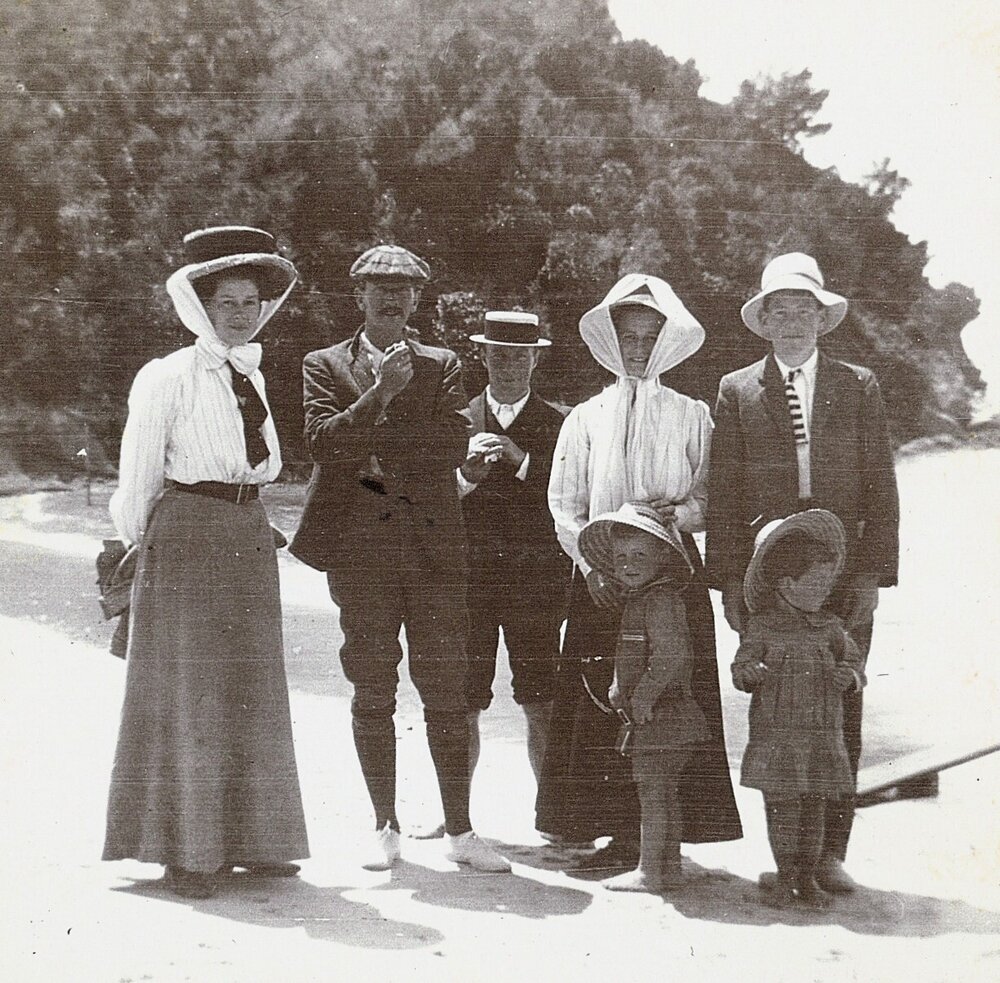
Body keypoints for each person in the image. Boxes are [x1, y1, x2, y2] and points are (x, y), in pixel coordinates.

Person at [103, 226, 309, 900]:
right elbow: (138, 477)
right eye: (226, 301)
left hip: (248, 533)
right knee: (193, 688)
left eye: (251, 301)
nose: (241, 312)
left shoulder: (252, 373)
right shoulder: (167, 376)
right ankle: (188, 850)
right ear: (199, 305)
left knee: (252, 683)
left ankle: (257, 838)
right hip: (188, 535)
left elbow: (262, 464)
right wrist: (138, 547)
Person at [290, 244, 510, 873]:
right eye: (377, 286)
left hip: (433, 551)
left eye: (404, 288)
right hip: (361, 557)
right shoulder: (322, 364)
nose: (391, 297)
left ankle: (461, 833)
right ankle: (383, 827)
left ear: (417, 299)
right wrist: (381, 396)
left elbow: (451, 444)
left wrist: (373, 451)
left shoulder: (442, 363)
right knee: (372, 686)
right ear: (357, 295)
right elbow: (323, 446)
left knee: (445, 688)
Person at [707, 252, 899, 894]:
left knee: (842, 698)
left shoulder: (859, 384)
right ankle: (787, 858)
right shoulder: (738, 389)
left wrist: (874, 575)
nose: (792, 323)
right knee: (776, 708)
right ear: (763, 322)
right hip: (770, 569)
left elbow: (881, 485)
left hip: (843, 568)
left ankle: (830, 853)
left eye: (804, 311)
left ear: (823, 318)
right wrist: (730, 583)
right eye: (779, 312)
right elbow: (726, 493)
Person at [540, 273, 743, 868]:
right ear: (610, 340)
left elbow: (711, 494)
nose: (637, 348)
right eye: (627, 337)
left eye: (649, 336)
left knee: (670, 692)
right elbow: (563, 503)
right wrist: (594, 564)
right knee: (601, 694)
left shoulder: (691, 413)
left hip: (672, 576)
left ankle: (663, 836)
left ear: (669, 340)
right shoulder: (584, 416)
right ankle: (612, 831)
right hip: (601, 576)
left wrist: (680, 511)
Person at [732, 510, 866, 909]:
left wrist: (849, 675)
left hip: (822, 736)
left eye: (828, 581)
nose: (826, 590)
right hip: (778, 737)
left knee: (815, 811)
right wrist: (750, 673)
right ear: (786, 583)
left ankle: (806, 879)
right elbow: (740, 671)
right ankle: (786, 876)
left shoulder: (831, 627)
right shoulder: (762, 627)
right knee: (784, 810)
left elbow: (855, 664)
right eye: (817, 582)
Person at [577, 503, 709, 893]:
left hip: (663, 715)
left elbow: (671, 655)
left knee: (654, 793)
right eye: (620, 558)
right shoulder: (643, 599)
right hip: (665, 716)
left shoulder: (660, 600)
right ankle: (667, 867)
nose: (628, 565)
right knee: (663, 792)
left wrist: (645, 697)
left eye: (639, 556)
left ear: (663, 556)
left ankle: (651, 870)